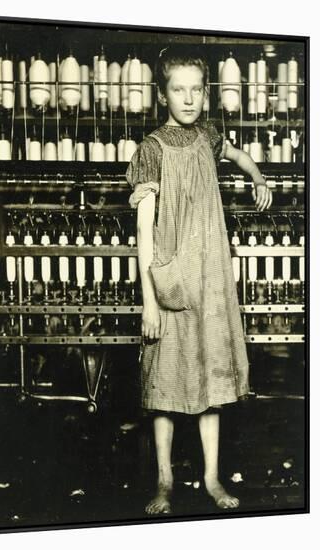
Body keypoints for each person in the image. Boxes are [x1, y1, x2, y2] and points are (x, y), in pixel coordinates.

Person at [126, 45, 273, 515]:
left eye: (195, 90)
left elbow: (236, 154)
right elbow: (143, 234)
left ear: (206, 94)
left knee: (210, 385)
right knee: (166, 388)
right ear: (162, 94)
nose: (187, 99)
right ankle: (164, 482)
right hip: (170, 284)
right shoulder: (150, 150)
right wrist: (150, 301)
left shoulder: (209, 136)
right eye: (177, 90)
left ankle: (211, 478)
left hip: (210, 282)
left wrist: (259, 178)